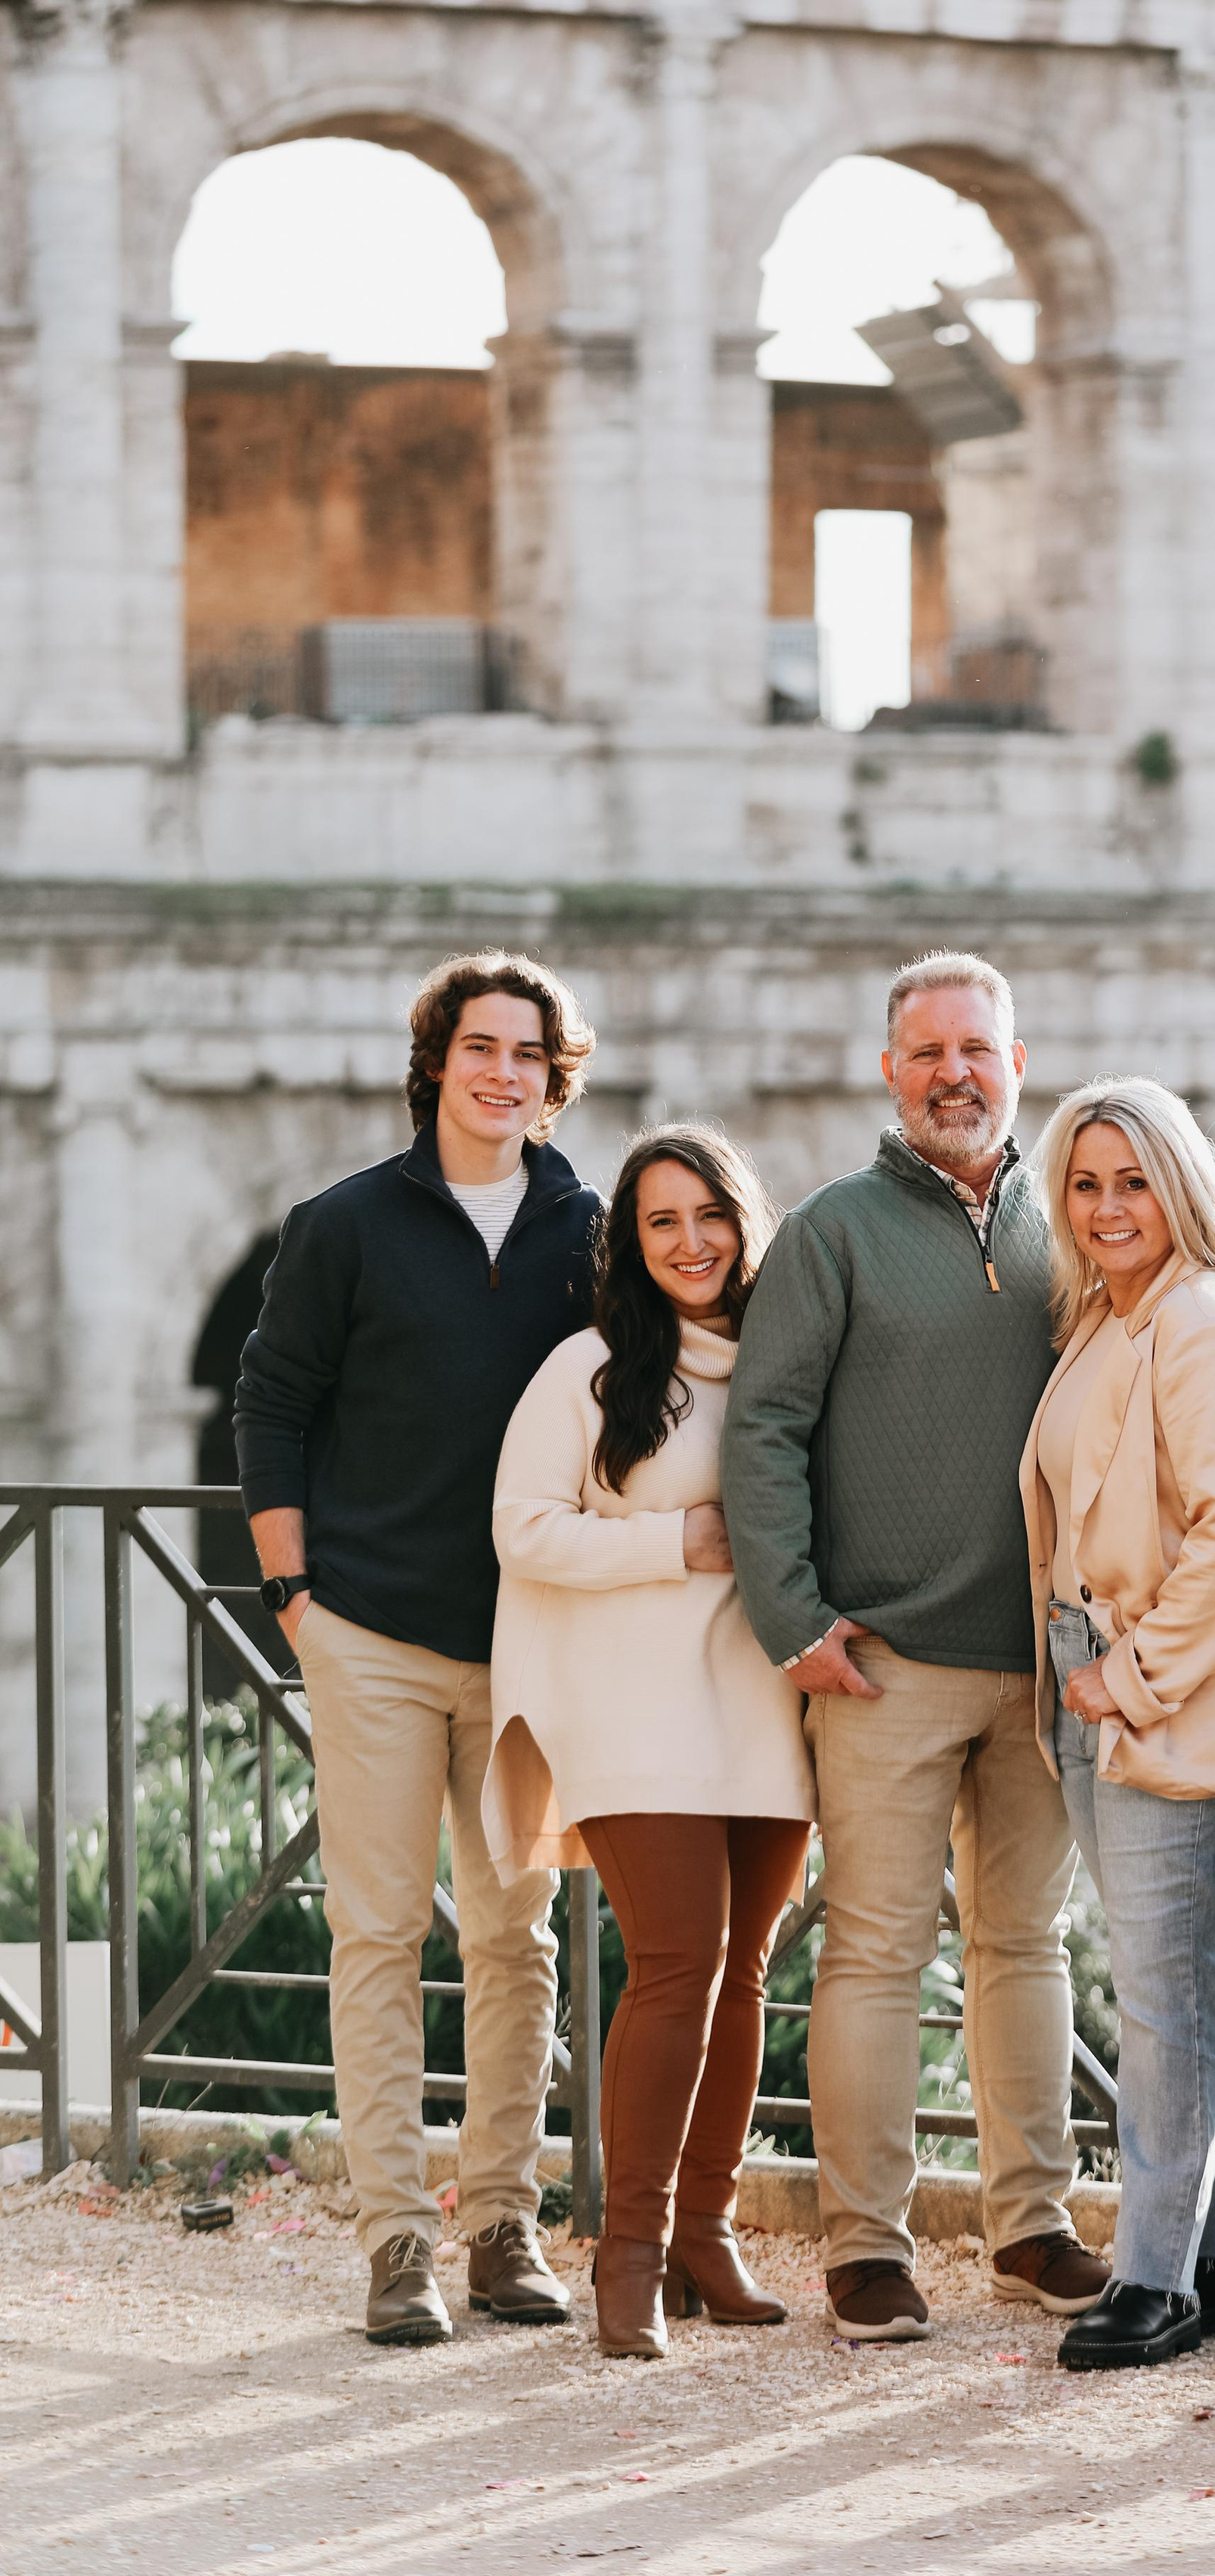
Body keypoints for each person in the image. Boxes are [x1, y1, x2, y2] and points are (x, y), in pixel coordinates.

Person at [721, 951, 1108, 2342]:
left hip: (1048, 1660)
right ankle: (865, 2249)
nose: (956, 1072)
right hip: (879, 1661)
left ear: (1020, 1063)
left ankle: (1034, 2228)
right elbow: (759, 1428)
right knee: (875, 1957)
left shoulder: (1079, 1224)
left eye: (980, 1049)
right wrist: (794, 1618)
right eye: (929, 1049)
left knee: (1027, 1949)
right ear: (890, 1071)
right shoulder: (832, 1232)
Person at [235, 950, 600, 2345]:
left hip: (528, 1644)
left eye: (527, 1055)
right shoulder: (344, 1226)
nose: (503, 1073)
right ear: (437, 1065)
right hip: (372, 1638)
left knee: (517, 1943)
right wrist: (296, 1596)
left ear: (550, 1080)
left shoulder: (592, 1228)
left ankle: (503, 2221)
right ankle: (397, 2242)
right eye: (480, 1049)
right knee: (378, 1937)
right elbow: (271, 1405)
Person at [484, 1124, 814, 2360]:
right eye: (661, 1221)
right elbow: (523, 1530)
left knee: (744, 1971)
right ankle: (626, 2255)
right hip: (630, 1705)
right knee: (679, 1959)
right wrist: (676, 1544)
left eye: (711, 1215)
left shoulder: (787, 1366)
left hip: (764, 1701)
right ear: (630, 1241)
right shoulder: (588, 1368)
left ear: (746, 1224)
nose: (691, 1242)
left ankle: (705, 2237)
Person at [1021, 1077, 1215, 2372]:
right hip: (1097, 1670)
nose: (1107, 1206)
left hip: (1168, 1687)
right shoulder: (1109, 1319)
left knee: (1159, 1997)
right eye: (1084, 1184)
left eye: (1133, 1180)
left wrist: (1127, 1677)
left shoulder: (1204, 1325)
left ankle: (1156, 2280)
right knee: (1184, 1984)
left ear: (1180, 1184)